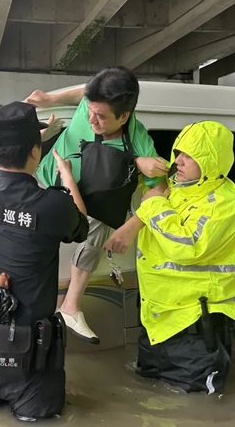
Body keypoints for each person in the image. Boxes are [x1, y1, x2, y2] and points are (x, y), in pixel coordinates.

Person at [0, 101, 89, 421]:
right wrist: (67, 176)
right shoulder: (52, 206)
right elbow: (82, 225)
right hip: (31, 365)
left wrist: (21, 140)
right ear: (36, 152)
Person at [103, 121, 235, 393]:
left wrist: (154, 203)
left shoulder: (225, 203)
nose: (179, 161)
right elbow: (149, 198)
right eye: (178, 152)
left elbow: (187, 247)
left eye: (190, 156)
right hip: (157, 319)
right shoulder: (175, 185)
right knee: (148, 399)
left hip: (194, 323)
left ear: (211, 161)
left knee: (194, 408)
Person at [25, 66, 168, 344]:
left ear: (124, 116)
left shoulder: (139, 141)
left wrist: (131, 227)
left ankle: (70, 306)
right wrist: (50, 100)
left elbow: (161, 190)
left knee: (102, 222)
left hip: (87, 211)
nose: (91, 119)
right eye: (89, 110)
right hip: (44, 186)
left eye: (101, 117)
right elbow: (83, 93)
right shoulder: (91, 104)